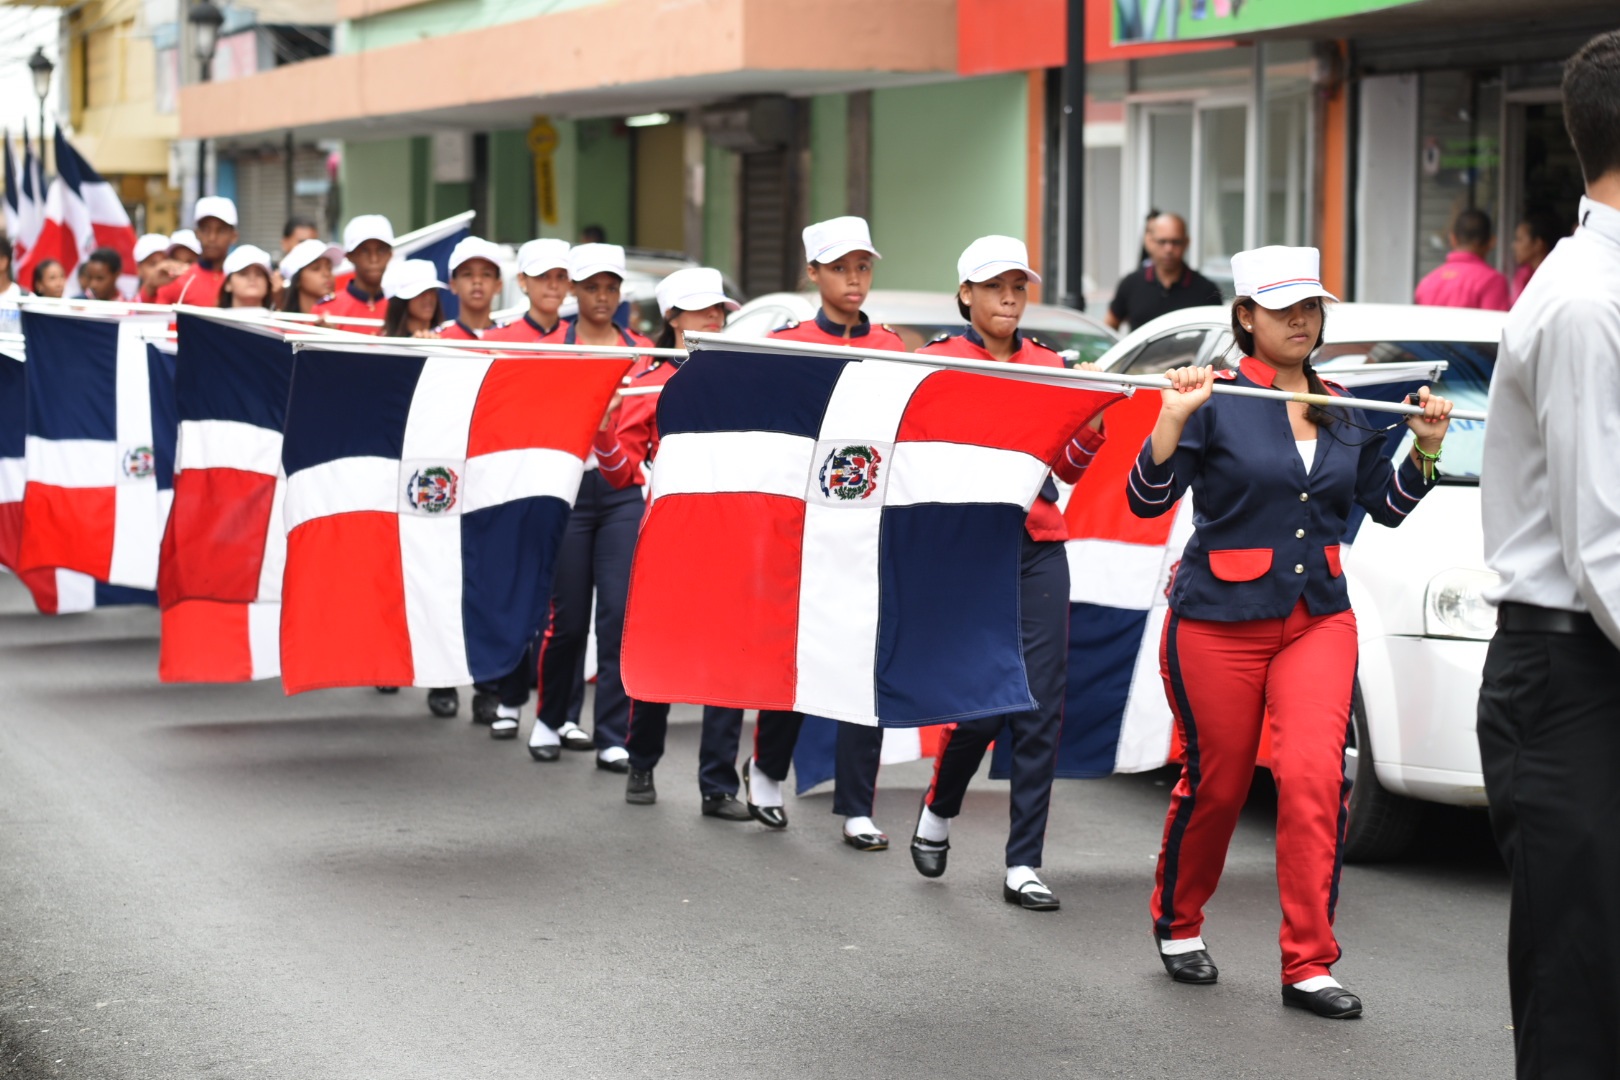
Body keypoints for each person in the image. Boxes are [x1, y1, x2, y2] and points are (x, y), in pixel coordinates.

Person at [1126, 245, 1451, 1019]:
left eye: (1310, 306)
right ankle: (1178, 921)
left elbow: (1386, 506)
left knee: (1314, 781)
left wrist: (1427, 450)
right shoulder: (1215, 397)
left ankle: (1309, 962)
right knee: (1220, 784)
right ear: (1246, 316)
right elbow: (1146, 499)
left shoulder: (1346, 404)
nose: (1301, 320)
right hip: (1217, 622)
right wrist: (1170, 420)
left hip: (1318, 621)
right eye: (1283, 308)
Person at [1478, 29, 1620, 1079]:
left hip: (1589, 666)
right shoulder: (1585, 301)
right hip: (1572, 676)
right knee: (1583, 993)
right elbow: (1603, 538)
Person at [907, 235, 1110, 910]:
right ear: (966, 294)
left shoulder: (1051, 365)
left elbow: (1068, 467)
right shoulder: (933, 363)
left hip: (1037, 545)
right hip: (965, 550)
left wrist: (1092, 413)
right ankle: (940, 804)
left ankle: (1024, 862)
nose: (1010, 298)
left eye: (1018, 286)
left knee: (1041, 706)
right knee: (983, 704)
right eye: (995, 286)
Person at [739, 215, 906, 846]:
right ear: (813, 273)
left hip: (868, 526)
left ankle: (857, 805)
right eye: (840, 268)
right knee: (796, 656)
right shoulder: (785, 345)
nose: (854, 279)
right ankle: (767, 770)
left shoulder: (891, 346)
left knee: (865, 663)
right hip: (799, 528)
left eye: (862, 267)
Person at [585, 268, 750, 819]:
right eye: (702, 309)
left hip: (729, 535)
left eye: (719, 308)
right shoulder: (648, 380)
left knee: (728, 662)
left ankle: (718, 785)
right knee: (658, 657)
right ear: (672, 318)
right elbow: (620, 471)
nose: (714, 317)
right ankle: (642, 762)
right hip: (666, 540)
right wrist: (603, 431)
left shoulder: (743, 377)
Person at [529, 243, 653, 771]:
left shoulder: (644, 351)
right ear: (574, 292)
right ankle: (549, 717)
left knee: (618, 615)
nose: (602, 297)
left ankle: (611, 734)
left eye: (611, 288)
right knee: (569, 620)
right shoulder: (551, 348)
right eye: (592, 287)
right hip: (568, 492)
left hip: (622, 493)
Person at [1106, 213, 1223, 331]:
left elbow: (1217, 334)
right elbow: (1109, 327)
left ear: (1186, 242)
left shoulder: (1206, 290)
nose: (1168, 249)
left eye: (1176, 242)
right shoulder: (1131, 284)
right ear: (1150, 242)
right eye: (1162, 241)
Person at [1413, 208, 1510, 311]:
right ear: (1491, 241)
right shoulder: (1492, 281)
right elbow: (1494, 320)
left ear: (1452, 239)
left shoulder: (1426, 282)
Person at [155, 197, 237, 306]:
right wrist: (150, 287)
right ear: (197, 234)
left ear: (234, 236)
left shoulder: (244, 280)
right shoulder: (179, 279)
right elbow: (149, 313)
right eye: (205, 230)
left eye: (221, 230)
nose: (212, 238)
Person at [484, 239, 570, 343]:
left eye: (561, 276)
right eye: (543, 276)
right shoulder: (496, 340)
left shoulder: (580, 340)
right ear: (522, 280)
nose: (553, 285)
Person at [315, 215, 393, 328]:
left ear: (390, 255)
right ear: (349, 256)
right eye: (364, 251)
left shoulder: (401, 310)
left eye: (381, 250)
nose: (374, 259)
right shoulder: (326, 310)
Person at [437, 237, 504, 340]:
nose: (477, 281)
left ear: (498, 285)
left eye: (486, 274)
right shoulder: (437, 340)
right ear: (453, 284)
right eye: (467, 274)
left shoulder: (514, 341)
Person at [1508, 208, 1566, 305]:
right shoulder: (1522, 276)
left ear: (1538, 244)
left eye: (1520, 239)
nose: (1514, 246)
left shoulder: (1558, 278)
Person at [379, 259, 446, 337]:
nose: (428, 297)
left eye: (432, 290)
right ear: (400, 301)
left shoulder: (448, 337)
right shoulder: (383, 342)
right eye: (420, 291)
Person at [278, 238, 342, 315]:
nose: (326, 274)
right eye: (315, 268)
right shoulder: (281, 321)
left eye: (329, 268)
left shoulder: (344, 317)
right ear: (297, 280)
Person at [132, 234, 177, 302]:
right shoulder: (129, 306)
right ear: (139, 270)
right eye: (153, 264)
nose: (161, 267)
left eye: (166, 261)